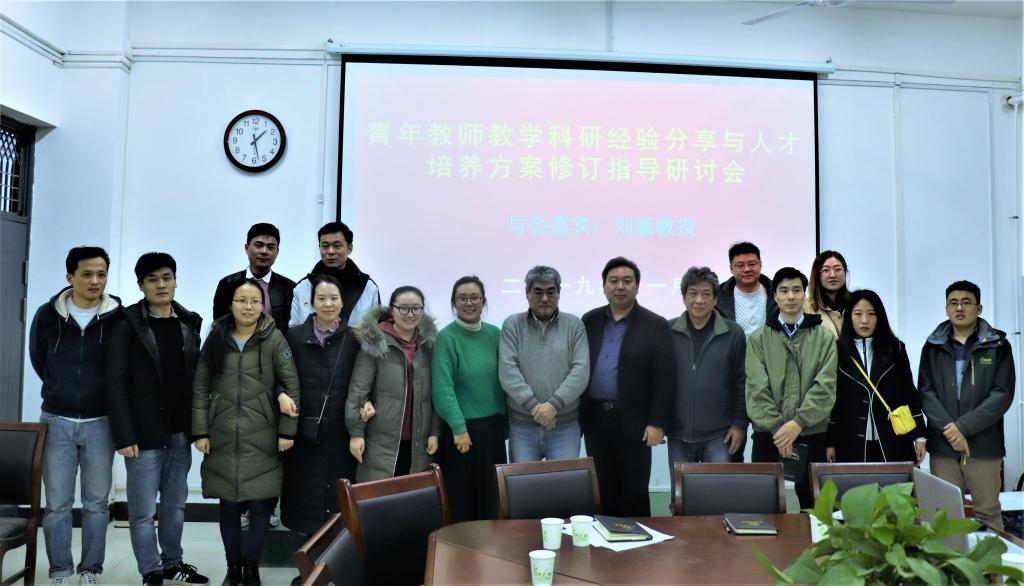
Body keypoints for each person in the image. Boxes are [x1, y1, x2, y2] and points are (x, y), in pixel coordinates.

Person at [106, 253, 208, 586]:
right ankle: (150, 570)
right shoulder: (127, 325)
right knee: (142, 510)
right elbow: (115, 383)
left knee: (175, 506)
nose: (161, 285)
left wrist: (199, 428)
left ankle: (172, 563)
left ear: (175, 281)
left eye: (167, 277)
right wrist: (123, 435)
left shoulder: (189, 323)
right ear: (141, 286)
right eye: (153, 279)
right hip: (143, 434)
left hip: (180, 432)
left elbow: (198, 381)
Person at [192, 279, 301, 586]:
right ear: (231, 304)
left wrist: (287, 432)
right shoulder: (216, 337)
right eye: (241, 300)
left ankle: (251, 568)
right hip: (222, 434)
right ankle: (233, 568)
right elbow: (200, 386)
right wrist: (200, 431)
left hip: (264, 435)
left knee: (260, 506)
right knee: (228, 506)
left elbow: (291, 385)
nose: (248, 306)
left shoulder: (274, 338)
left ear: (263, 306)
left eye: (255, 301)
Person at [29, 246, 122, 586]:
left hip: (101, 421)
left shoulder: (118, 317)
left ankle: (90, 570)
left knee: (97, 503)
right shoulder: (46, 315)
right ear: (70, 277)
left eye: (101, 274)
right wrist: (61, 389)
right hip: (57, 420)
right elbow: (39, 359)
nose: (95, 280)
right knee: (57, 504)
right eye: (87, 274)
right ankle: (60, 571)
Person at [580, 258, 674, 517]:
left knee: (634, 492)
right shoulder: (590, 320)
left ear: (637, 286)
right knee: (601, 490)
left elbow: (665, 379)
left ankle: (637, 541)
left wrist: (657, 422)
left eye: (626, 281)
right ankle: (603, 539)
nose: (620, 286)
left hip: (636, 422)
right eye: (613, 281)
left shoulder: (655, 324)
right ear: (604, 286)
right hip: (596, 420)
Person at [919, 280, 1015, 531]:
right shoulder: (932, 346)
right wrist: (950, 430)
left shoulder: (998, 345)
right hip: (943, 446)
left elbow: (1002, 394)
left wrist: (962, 427)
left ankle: (991, 560)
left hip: (983, 445)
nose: (959, 308)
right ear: (946, 309)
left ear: (979, 308)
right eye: (953, 303)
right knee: (944, 516)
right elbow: (926, 393)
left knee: (988, 513)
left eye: (966, 302)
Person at [746, 267, 837, 509]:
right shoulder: (758, 339)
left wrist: (797, 423)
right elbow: (756, 389)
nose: (790, 297)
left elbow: (825, 387)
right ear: (775, 296)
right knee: (763, 505)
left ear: (804, 295)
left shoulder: (824, 338)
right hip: (769, 434)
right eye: (784, 291)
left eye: (796, 290)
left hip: (810, 432)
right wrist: (779, 428)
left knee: (815, 507)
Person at [281, 275, 361, 532]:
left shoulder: (354, 338)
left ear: (342, 302)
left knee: (337, 504)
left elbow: (363, 381)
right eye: (322, 298)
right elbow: (278, 375)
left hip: (340, 431)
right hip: (304, 431)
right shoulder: (294, 336)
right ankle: (308, 556)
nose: (328, 304)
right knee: (304, 497)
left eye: (334, 298)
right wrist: (280, 393)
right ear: (312, 302)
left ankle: (332, 556)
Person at [431, 276, 507, 522]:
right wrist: (459, 428)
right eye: (462, 298)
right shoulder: (447, 338)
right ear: (454, 303)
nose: (468, 303)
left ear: (484, 301)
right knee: (463, 499)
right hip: (462, 432)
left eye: (474, 297)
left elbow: (506, 379)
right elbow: (443, 389)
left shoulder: (495, 334)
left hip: (493, 429)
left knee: (493, 497)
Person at [346, 286, 439, 481]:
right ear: (392, 309)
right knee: (380, 494)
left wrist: (435, 431)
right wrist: (356, 433)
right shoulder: (375, 341)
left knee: (413, 494)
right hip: (380, 442)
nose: (410, 314)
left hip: (419, 442)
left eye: (416, 308)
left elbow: (436, 394)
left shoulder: (429, 345)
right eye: (403, 308)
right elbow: (358, 390)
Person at [498, 266, 590, 463]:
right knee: (523, 482)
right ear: (527, 293)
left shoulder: (574, 325)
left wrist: (552, 406)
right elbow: (508, 371)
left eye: (551, 291)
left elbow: (580, 371)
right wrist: (535, 407)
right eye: (538, 292)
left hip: (564, 426)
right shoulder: (512, 325)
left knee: (563, 481)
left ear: (559, 292)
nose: (545, 298)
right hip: (522, 426)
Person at [827, 289, 925, 464]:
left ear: (880, 317)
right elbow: (832, 402)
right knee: (855, 482)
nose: (865, 320)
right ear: (849, 317)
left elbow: (909, 392)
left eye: (871, 314)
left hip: (892, 439)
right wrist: (829, 442)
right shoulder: (837, 351)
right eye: (858, 314)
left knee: (895, 482)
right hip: (850, 440)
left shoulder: (895, 348)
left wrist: (920, 436)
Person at [666, 267, 747, 468]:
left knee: (718, 488)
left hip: (719, 435)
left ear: (715, 299)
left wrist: (739, 425)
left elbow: (742, 382)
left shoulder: (733, 333)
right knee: (682, 488)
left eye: (706, 294)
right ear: (684, 297)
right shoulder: (668, 331)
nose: (699, 300)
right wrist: (658, 422)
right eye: (693, 293)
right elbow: (659, 381)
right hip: (678, 434)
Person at [290, 221, 379, 327]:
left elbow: (376, 330)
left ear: (350, 248)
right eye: (325, 246)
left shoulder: (367, 287)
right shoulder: (303, 287)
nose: (330, 251)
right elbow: (294, 329)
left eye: (337, 246)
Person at [212, 223, 296, 333]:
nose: (264, 251)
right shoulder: (227, 284)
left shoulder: (290, 288)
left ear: (277, 252)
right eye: (259, 245)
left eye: (270, 247)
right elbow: (219, 327)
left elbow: (292, 329)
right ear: (247, 248)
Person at [716, 241, 777, 337]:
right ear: (731, 268)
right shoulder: (717, 296)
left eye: (752, 264)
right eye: (740, 265)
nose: (747, 269)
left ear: (760, 265)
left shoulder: (777, 291)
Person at [805, 250, 851, 338]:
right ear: (817, 275)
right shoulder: (805, 308)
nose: (833, 275)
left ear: (845, 272)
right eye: (826, 270)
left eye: (838, 269)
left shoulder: (856, 302)